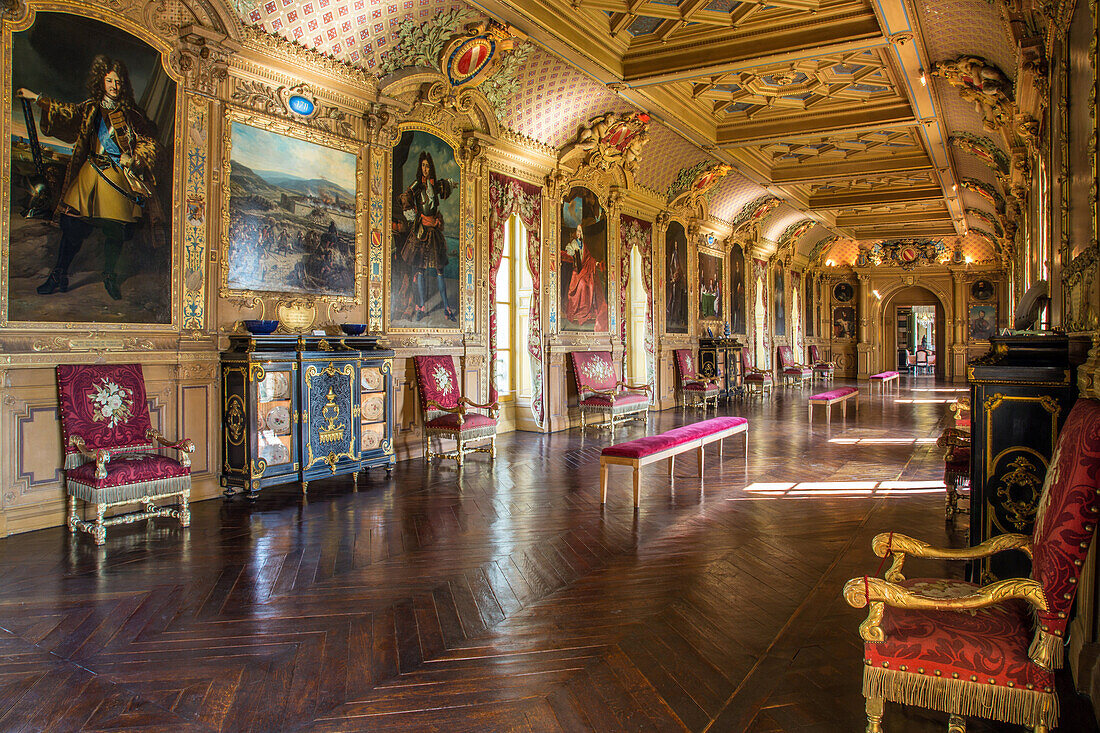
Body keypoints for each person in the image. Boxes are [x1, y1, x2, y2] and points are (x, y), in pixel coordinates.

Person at [18, 55, 160, 300]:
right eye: (109, 80)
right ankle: (58, 275)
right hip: (91, 173)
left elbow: (150, 143)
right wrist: (38, 98)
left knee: (115, 231)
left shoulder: (132, 115)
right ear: (101, 82)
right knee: (72, 225)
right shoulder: (90, 107)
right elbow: (67, 112)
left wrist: (135, 157)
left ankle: (109, 276)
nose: (114, 86)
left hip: (117, 178)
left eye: (117, 81)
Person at [398, 151, 456, 321]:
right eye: (423, 165)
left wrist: (451, 184)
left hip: (434, 232)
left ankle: (446, 307)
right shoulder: (417, 184)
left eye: (427, 165)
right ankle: (421, 306)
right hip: (422, 231)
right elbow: (406, 196)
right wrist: (413, 215)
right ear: (420, 167)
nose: (425, 168)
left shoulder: (434, 184)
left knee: (440, 271)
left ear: (430, 167)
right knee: (421, 270)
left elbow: (445, 185)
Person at [563, 225, 608, 330]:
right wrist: (573, 253)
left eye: (580, 231)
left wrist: (595, 263)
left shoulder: (584, 245)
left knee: (590, 283)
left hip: (584, 270)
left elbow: (589, 258)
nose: (579, 233)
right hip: (576, 271)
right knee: (582, 284)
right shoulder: (573, 244)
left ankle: (586, 309)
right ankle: (577, 310)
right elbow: (568, 252)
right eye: (577, 231)